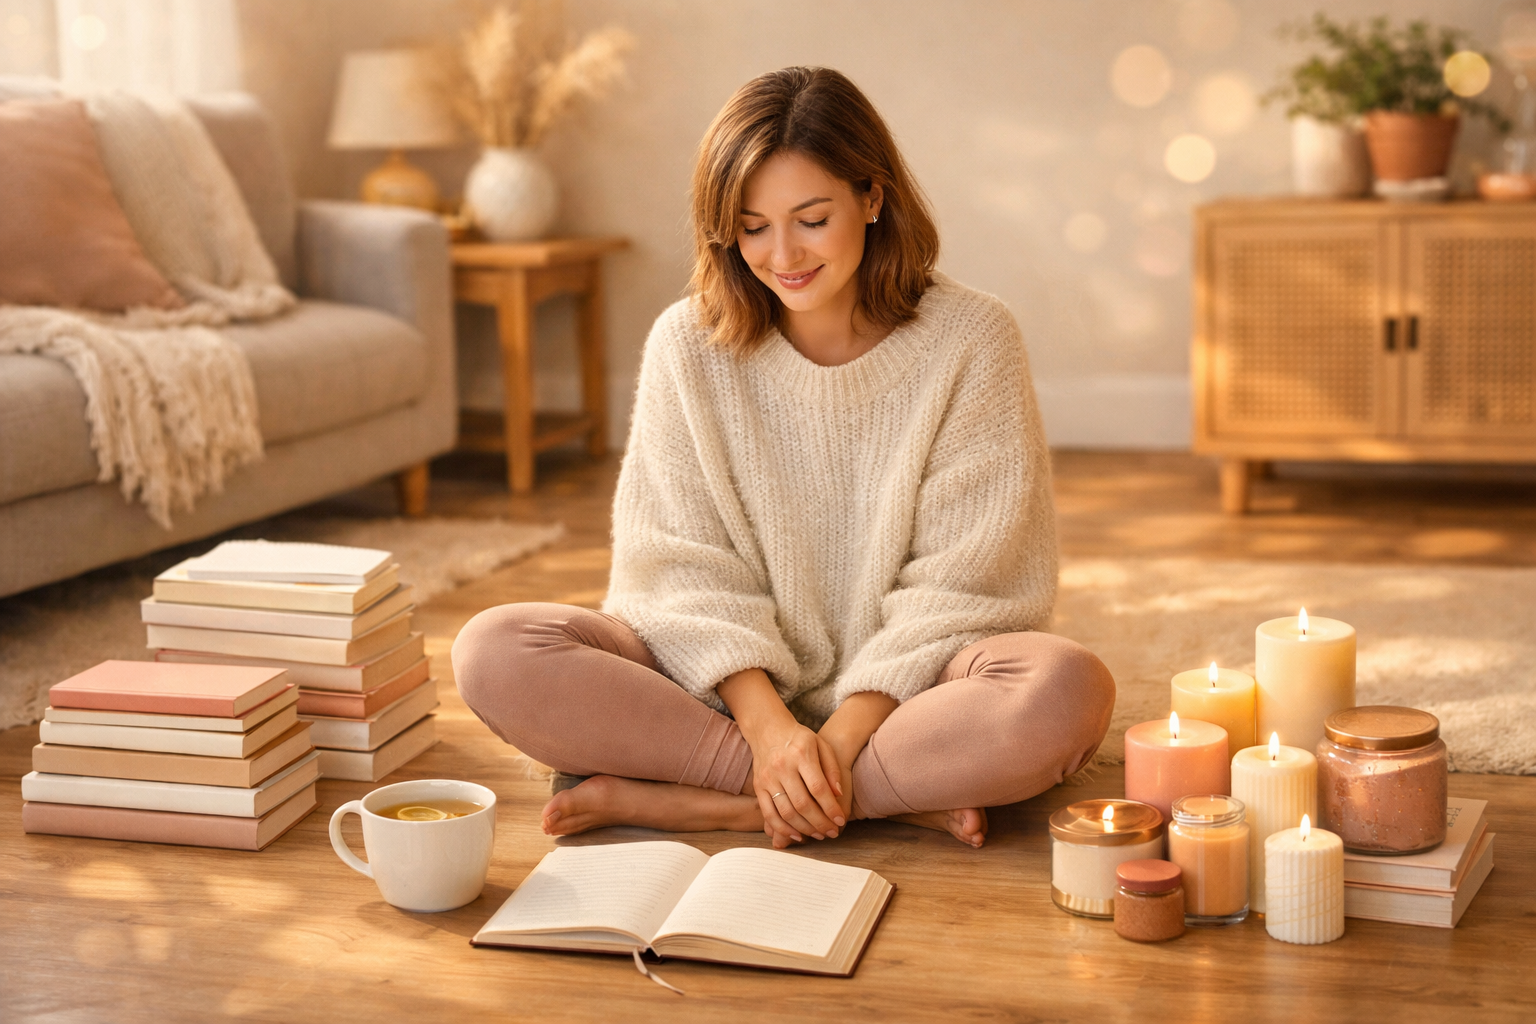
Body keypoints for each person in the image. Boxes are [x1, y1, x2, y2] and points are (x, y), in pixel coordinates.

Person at [452, 66, 1115, 850]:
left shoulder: (972, 341)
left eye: (811, 218)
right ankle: (882, 798)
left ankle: (708, 803)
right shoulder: (686, 345)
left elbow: (966, 584)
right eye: (753, 225)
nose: (783, 254)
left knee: (1066, 688)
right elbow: (678, 569)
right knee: (495, 652)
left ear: (872, 199)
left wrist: (834, 742)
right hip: (716, 691)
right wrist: (769, 734)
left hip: (911, 695)